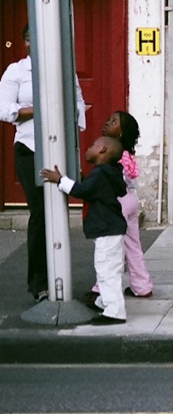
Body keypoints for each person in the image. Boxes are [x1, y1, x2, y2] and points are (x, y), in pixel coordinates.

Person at [0, 25, 87, 303]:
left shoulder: (65, 69)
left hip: (60, 149)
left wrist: (70, 116)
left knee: (59, 210)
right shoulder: (16, 72)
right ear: (26, 42)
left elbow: (78, 105)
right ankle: (38, 283)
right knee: (40, 212)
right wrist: (39, 109)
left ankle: (60, 275)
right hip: (29, 148)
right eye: (31, 39)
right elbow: (4, 109)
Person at [40, 136, 128, 325]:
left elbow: (82, 191)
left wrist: (60, 180)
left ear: (103, 150)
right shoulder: (108, 172)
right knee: (106, 269)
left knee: (107, 270)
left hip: (107, 230)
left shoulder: (101, 173)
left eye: (92, 145)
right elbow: (91, 188)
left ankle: (115, 312)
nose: (88, 148)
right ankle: (103, 301)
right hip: (109, 230)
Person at [96, 111, 153, 299]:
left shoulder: (110, 152)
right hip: (130, 200)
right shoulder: (127, 154)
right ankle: (142, 285)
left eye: (113, 122)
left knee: (110, 247)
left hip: (116, 202)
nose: (106, 122)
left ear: (121, 133)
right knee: (133, 246)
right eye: (108, 119)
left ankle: (100, 287)